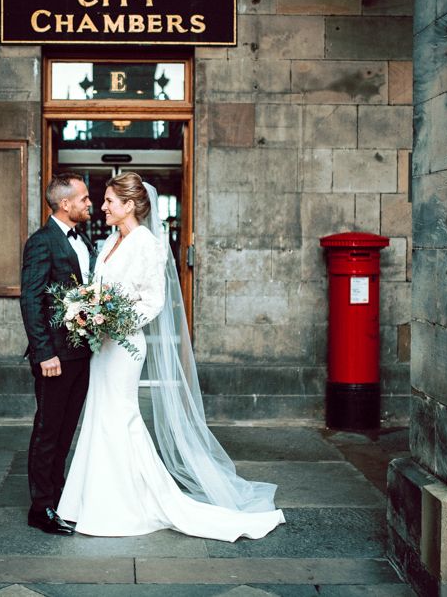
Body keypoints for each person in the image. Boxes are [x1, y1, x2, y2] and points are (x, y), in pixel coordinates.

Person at [57, 172, 285, 541]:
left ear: (130, 205)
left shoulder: (147, 245)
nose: (102, 207)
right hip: (103, 347)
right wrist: (89, 312)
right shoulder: (110, 241)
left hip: (125, 345)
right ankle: (88, 502)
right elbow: (99, 290)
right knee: (100, 416)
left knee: (120, 417)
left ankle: (126, 505)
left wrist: (115, 319)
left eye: (109, 201)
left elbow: (153, 301)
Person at [20, 173, 95, 535]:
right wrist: (43, 352)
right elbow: (31, 299)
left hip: (81, 354)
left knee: (66, 429)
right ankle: (41, 507)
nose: (89, 202)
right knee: (48, 430)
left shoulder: (84, 240)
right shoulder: (41, 242)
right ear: (64, 204)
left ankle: (59, 492)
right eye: (83, 198)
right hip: (54, 357)